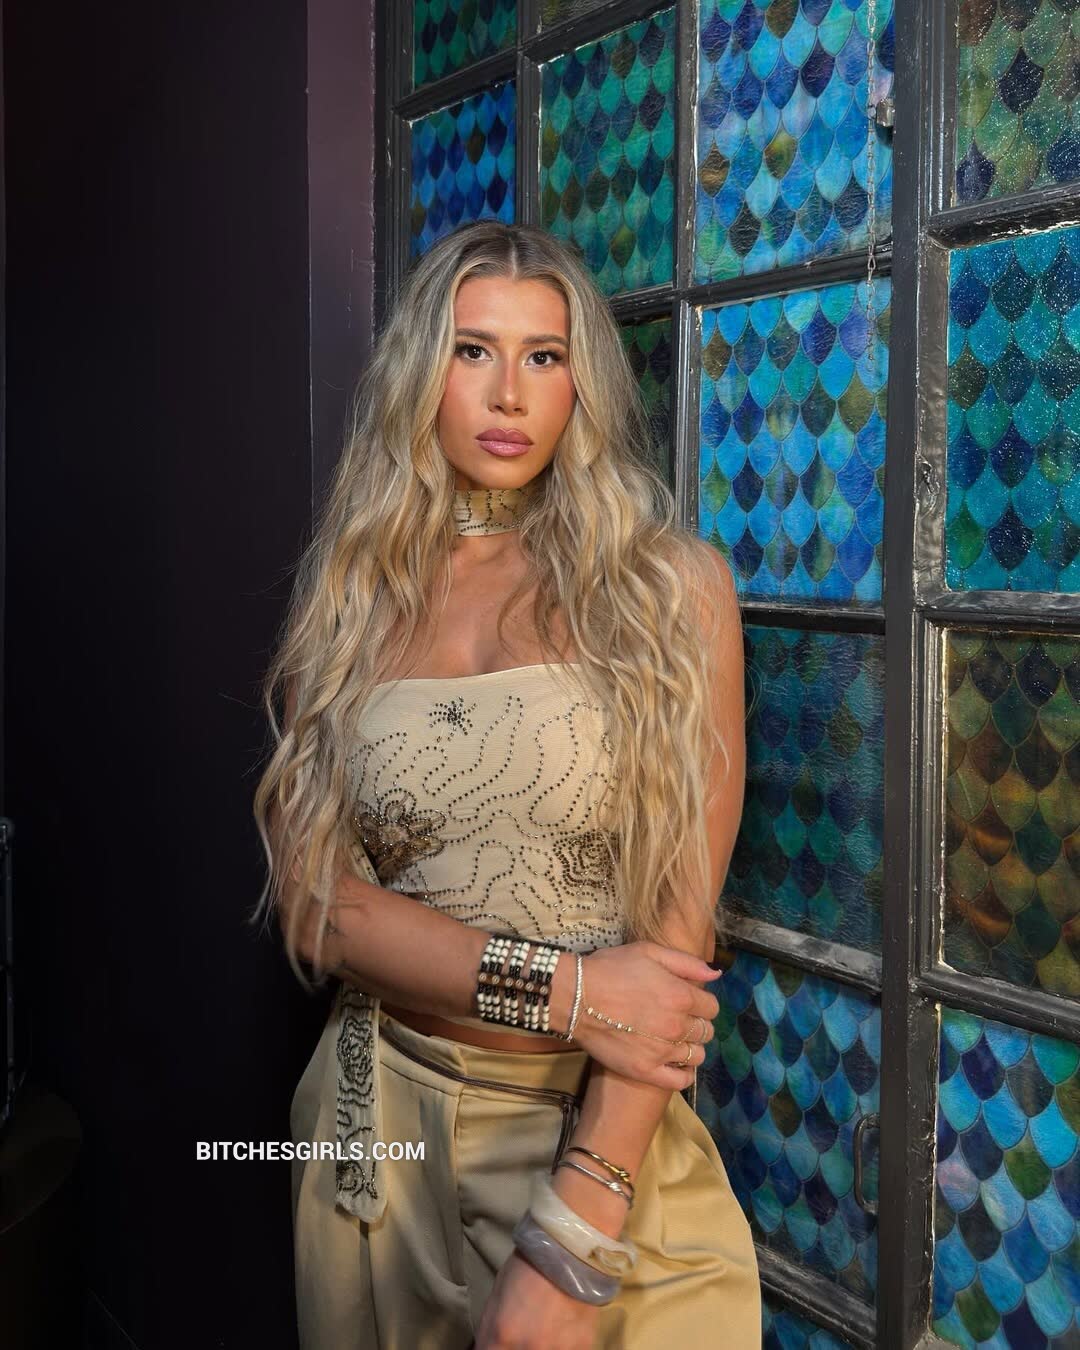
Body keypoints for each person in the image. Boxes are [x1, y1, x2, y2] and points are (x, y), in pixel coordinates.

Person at [251, 220, 759, 1349]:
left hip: (586, 1132)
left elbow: (676, 938)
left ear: (583, 384)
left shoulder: (670, 591)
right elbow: (316, 908)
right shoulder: (350, 600)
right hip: (372, 1128)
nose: (510, 393)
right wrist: (572, 992)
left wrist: (576, 1228)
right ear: (420, 374)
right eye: (473, 350)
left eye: (545, 355)